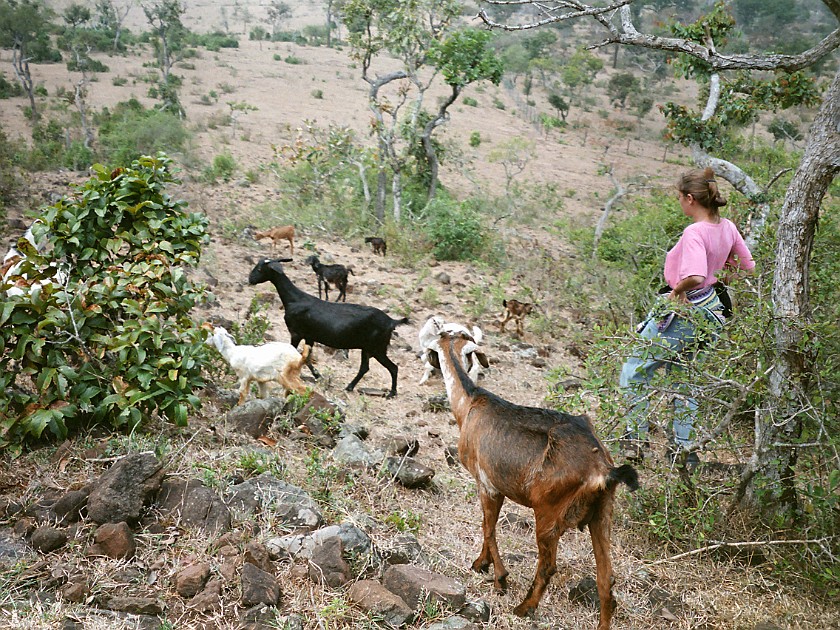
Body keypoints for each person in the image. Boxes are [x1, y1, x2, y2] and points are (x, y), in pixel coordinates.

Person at [619, 167, 755, 468]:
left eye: (680, 197)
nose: (680, 202)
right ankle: (683, 450)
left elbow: (694, 275)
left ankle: (635, 440)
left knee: (635, 369)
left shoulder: (695, 231)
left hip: (686, 309)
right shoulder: (728, 227)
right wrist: (721, 278)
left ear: (690, 198)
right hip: (712, 312)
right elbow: (748, 266)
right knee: (686, 378)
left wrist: (677, 292)